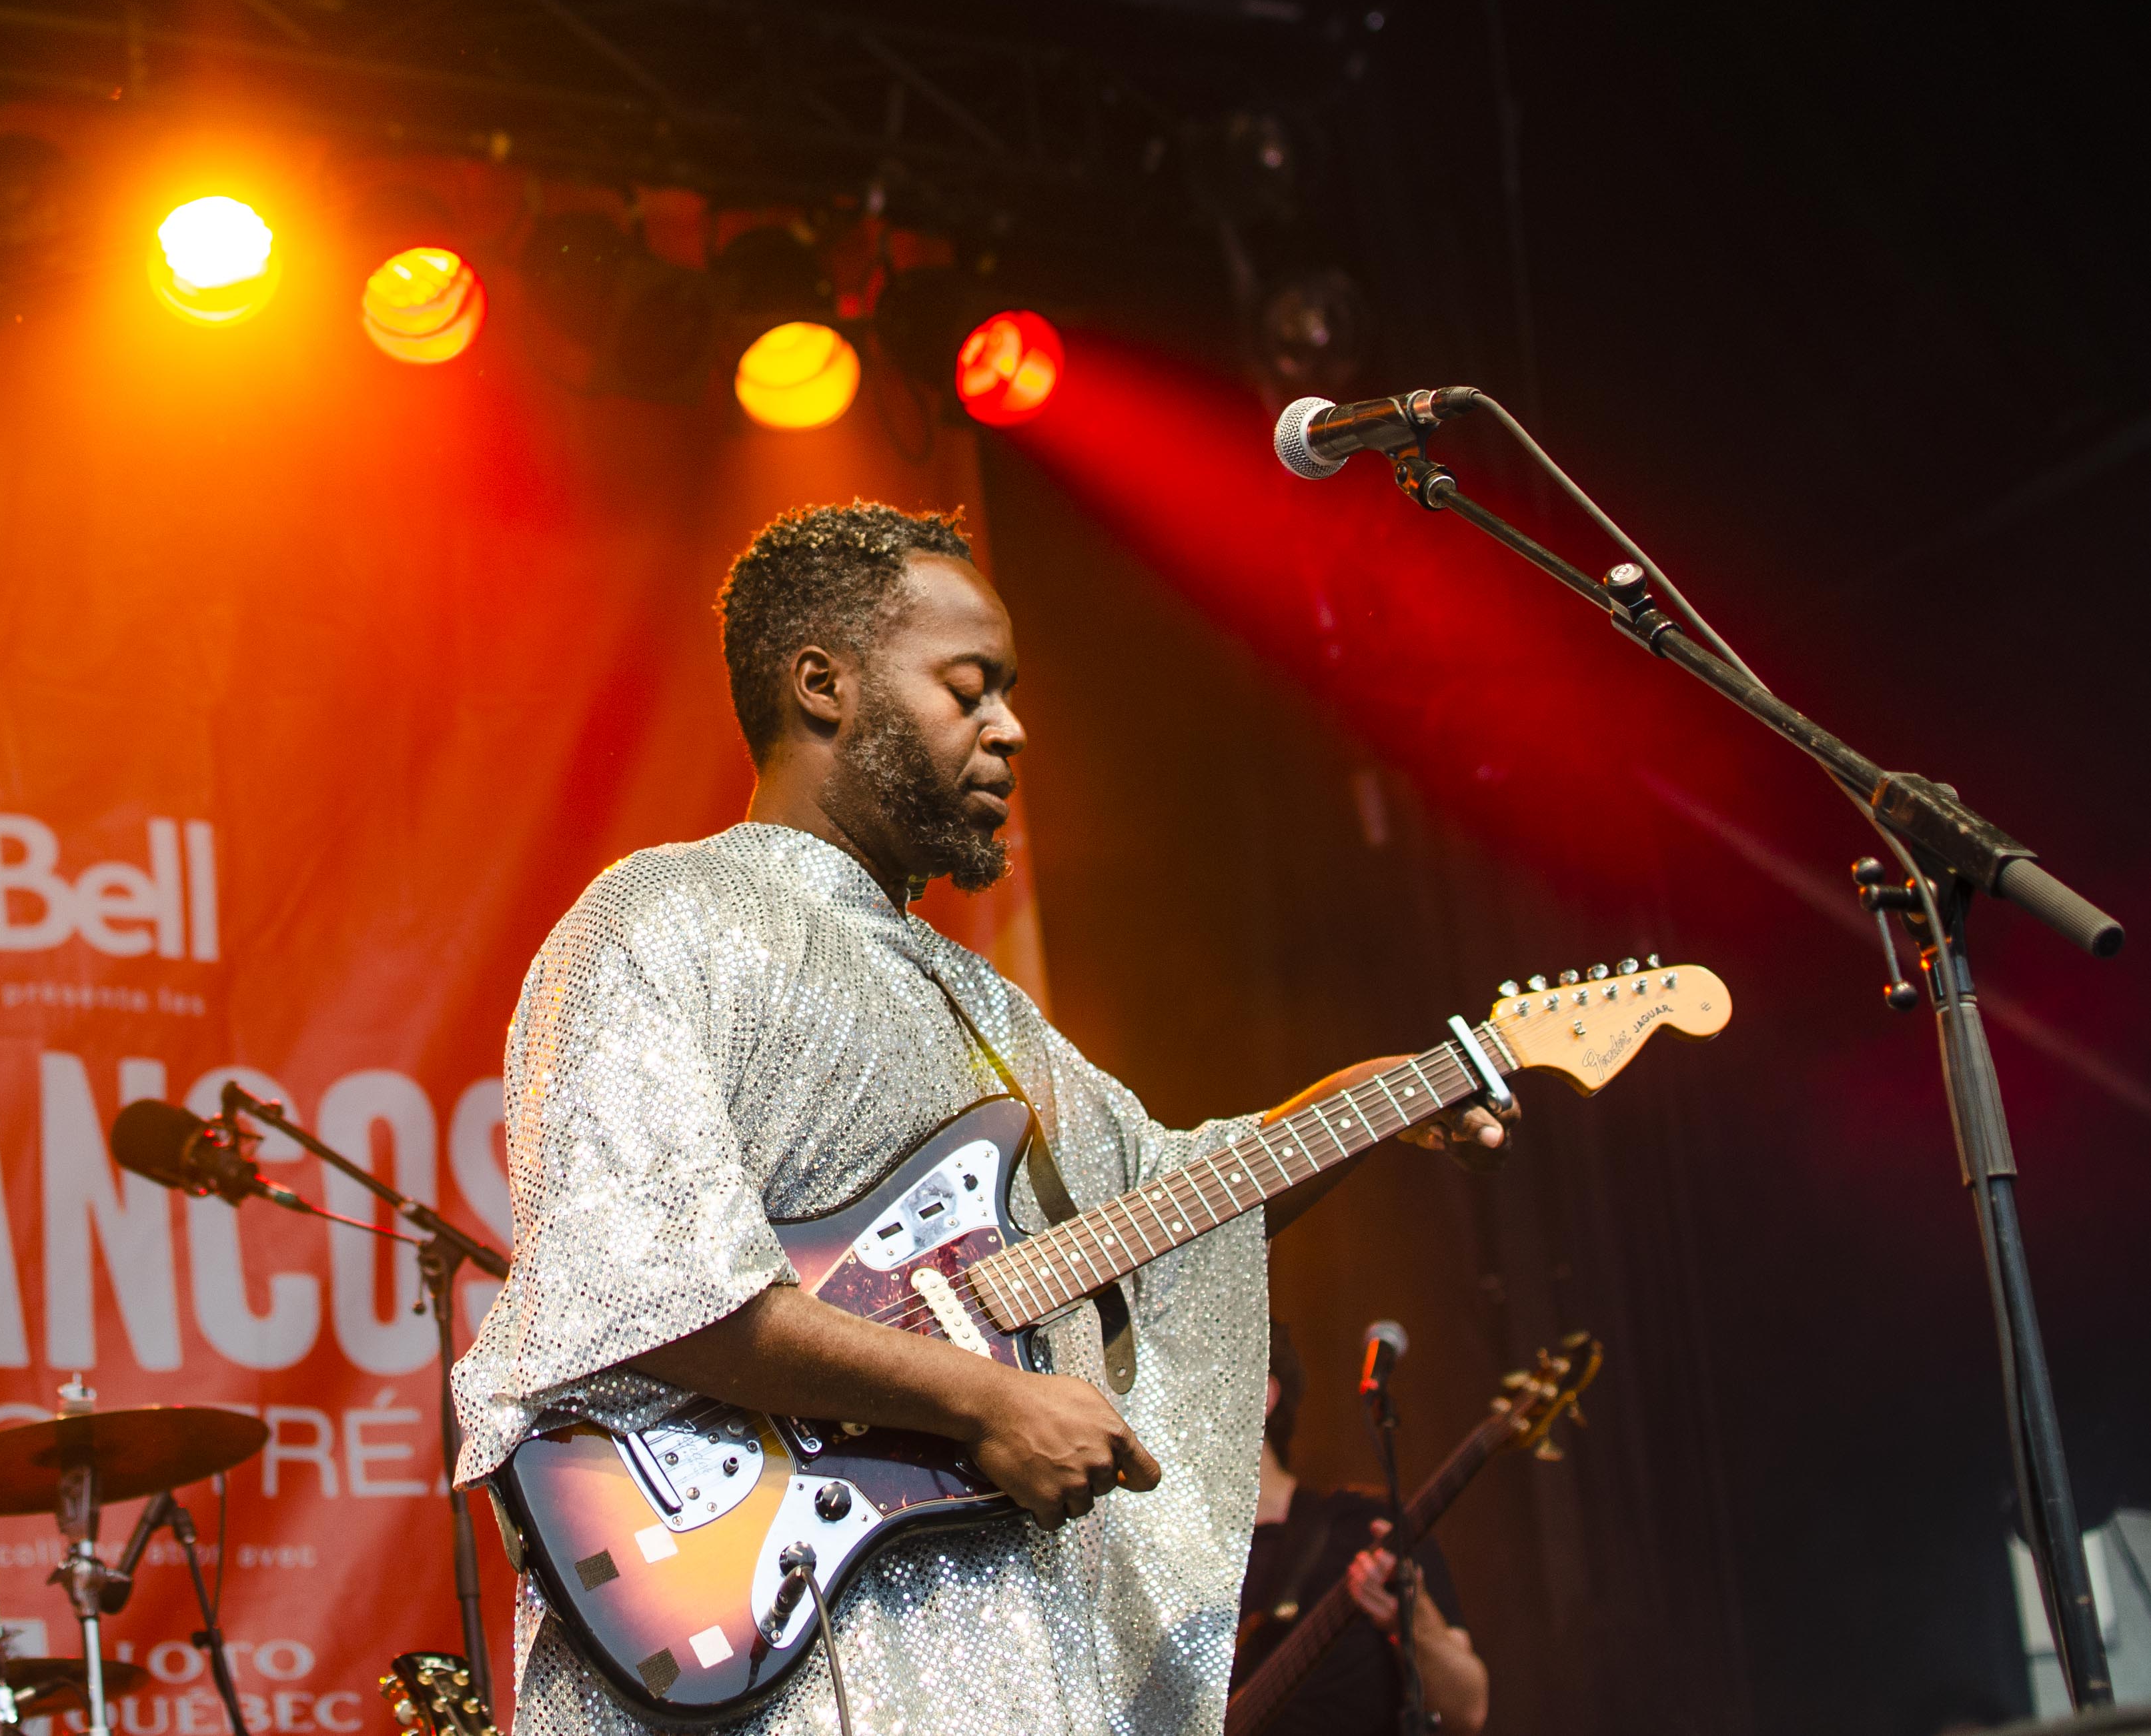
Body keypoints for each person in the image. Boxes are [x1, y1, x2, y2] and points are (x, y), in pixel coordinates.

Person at [450, 504, 1505, 1736]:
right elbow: (642, 1283)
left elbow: (1169, 1201)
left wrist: (1388, 1096)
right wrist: (985, 1400)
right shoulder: (664, 916)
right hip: (769, 1628)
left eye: (1006, 693)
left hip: (994, 1640)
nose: (1010, 727)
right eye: (969, 688)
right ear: (821, 686)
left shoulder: (982, 1003)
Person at [1233, 1323, 1489, 1736]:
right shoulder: (1169, 1572)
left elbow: (1467, 1709)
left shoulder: (1363, 1526)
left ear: (1262, 1395)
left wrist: (1414, 1619)